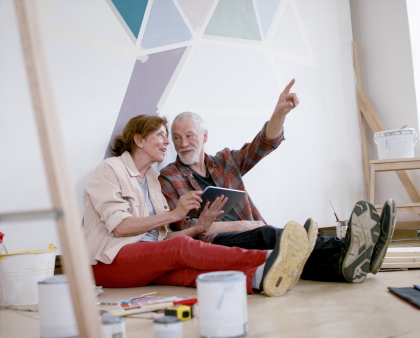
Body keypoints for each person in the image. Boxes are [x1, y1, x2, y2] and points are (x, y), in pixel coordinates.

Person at [159, 79, 397, 283]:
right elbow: (184, 228)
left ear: (204, 136)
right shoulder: (169, 177)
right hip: (213, 243)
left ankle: (348, 261)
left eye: (189, 135)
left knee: (282, 248)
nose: (182, 143)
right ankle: (353, 247)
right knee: (269, 236)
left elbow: (261, 145)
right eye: (177, 137)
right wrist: (241, 226)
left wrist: (279, 113)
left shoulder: (225, 161)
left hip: (250, 231)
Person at [83, 114, 312, 297]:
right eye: (161, 135)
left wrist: (198, 227)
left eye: (167, 137)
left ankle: (260, 277)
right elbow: (121, 227)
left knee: (189, 274)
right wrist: (175, 214)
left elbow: (160, 241)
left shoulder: (153, 180)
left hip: (143, 260)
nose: (167, 142)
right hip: (109, 262)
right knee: (181, 247)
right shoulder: (110, 169)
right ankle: (269, 258)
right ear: (139, 139)